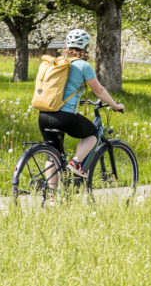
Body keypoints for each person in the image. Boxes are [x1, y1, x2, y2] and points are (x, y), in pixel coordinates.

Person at [38, 29, 124, 181]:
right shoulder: (83, 66)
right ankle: (76, 163)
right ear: (86, 46)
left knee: (52, 154)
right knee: (93, 134)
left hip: (44, 114)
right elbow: (99, 90)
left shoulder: (56, 63)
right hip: (64, 116)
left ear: (66, 45)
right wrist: (115, 105)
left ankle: (51, 198)